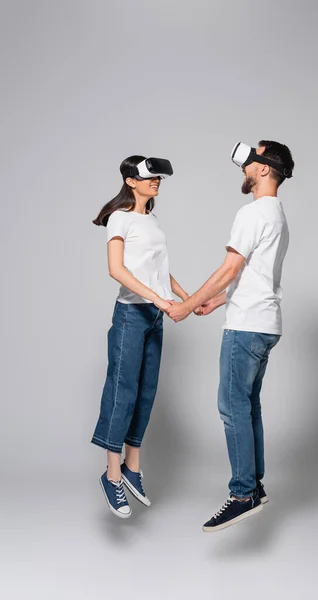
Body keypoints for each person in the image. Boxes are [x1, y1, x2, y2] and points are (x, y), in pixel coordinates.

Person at [167, 140, 294, 532]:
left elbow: (229, 268)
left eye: (251, 159)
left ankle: (242, 495)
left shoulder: (253, 212)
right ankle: (254, 485)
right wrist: (219, 302)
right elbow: (253, 277)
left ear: (263, 169)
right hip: (264, 323)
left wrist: (187, 306)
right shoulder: (278, 215)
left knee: (230, 405)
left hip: (246, 327)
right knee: (247, 406)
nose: (244, 167)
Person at [91, 154, 189, 518]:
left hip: (154, 315)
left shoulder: (153, 220)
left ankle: (133, 466)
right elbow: (116, 270)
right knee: (122, 391)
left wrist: (186, 297)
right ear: (130, 180)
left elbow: (158, 272)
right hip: (132, 315)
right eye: (150, 176)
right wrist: (158, 300)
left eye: (159, 177)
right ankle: (112, 474)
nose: (157, 181)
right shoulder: (120, 218)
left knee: (147, 391)